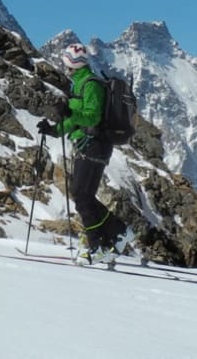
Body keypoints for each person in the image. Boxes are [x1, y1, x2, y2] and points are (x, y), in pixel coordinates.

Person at [37, 43, 130, 265]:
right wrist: (54, 130)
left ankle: (97, 245)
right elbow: (75, 120)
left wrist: (70, 111)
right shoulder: (79, 83)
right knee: (82, 195)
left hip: (95, 145)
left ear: (72, 63)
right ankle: (117, 232)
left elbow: (92, 117)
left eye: (66, 61)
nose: (64, 66)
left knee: (82, 196)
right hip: (85, 144)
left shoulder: (91, 84)